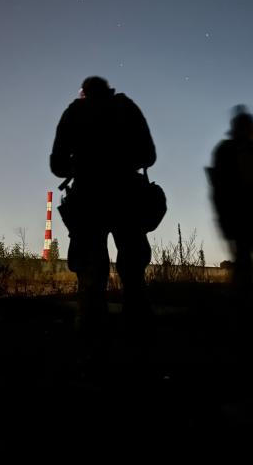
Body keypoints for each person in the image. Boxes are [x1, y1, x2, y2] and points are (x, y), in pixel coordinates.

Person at [50, 76, 157, 337]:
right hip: (126, 197)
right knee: (133, 267)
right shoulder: (126, 107)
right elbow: (149, 155)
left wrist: (81, 164)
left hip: (88, 199)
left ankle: (91, 328)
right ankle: (138, 328)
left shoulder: (74, 112)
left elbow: (57, 166)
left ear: (84, 93)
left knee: (90, 267)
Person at [210, 106, 253, 313]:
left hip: (247, 215)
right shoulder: (233, 150)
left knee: (246, 261)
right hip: (240, 216)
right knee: (245, 261)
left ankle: (241, 302)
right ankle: (241, 303)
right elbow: (220, 187)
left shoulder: (235, 149)